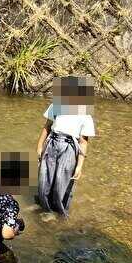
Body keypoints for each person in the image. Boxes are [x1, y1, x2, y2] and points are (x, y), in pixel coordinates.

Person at [36, 76, 96, 218]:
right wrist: (39, 147)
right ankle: (45, 210)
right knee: (44, 180)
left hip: (70, 147)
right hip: (52, 143)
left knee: (61, 183)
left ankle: (60, 214)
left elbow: (83, 142)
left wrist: (79, 166)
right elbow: (47, 127)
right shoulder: (56, 106)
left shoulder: (85, 115)